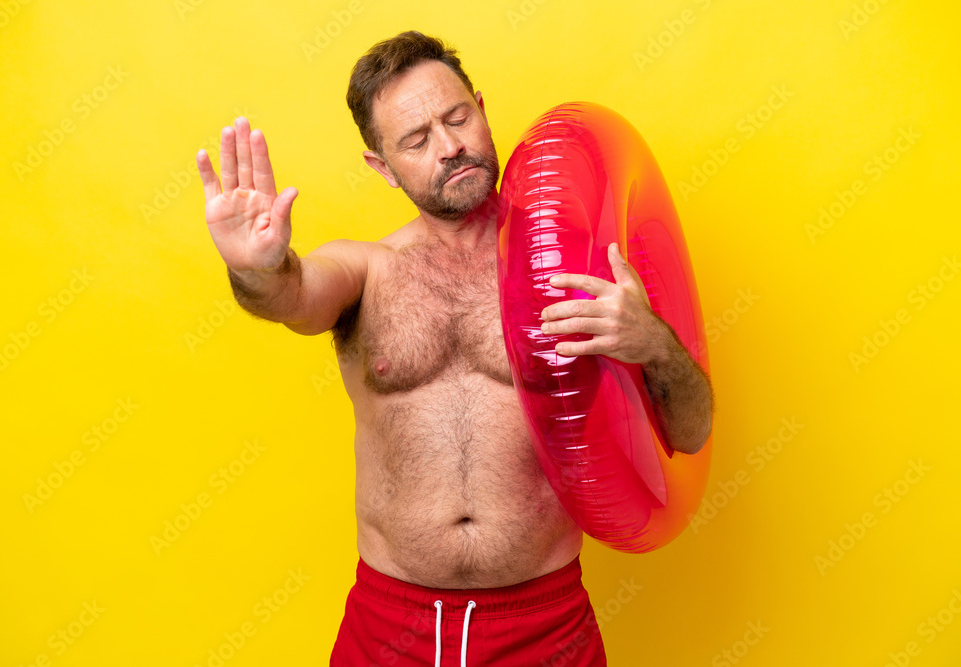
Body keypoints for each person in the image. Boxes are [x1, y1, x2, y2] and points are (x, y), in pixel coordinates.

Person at [196, 30, 714, 667]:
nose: (450, 147)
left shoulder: (583, 264)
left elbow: (689, 434)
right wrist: (256, 269)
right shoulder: (367, 270)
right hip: (390, 629)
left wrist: (652, 343)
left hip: (546, 627)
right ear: (383, 167)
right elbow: (291, 296)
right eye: (416, 140)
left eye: (458, 116)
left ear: (482, 109)